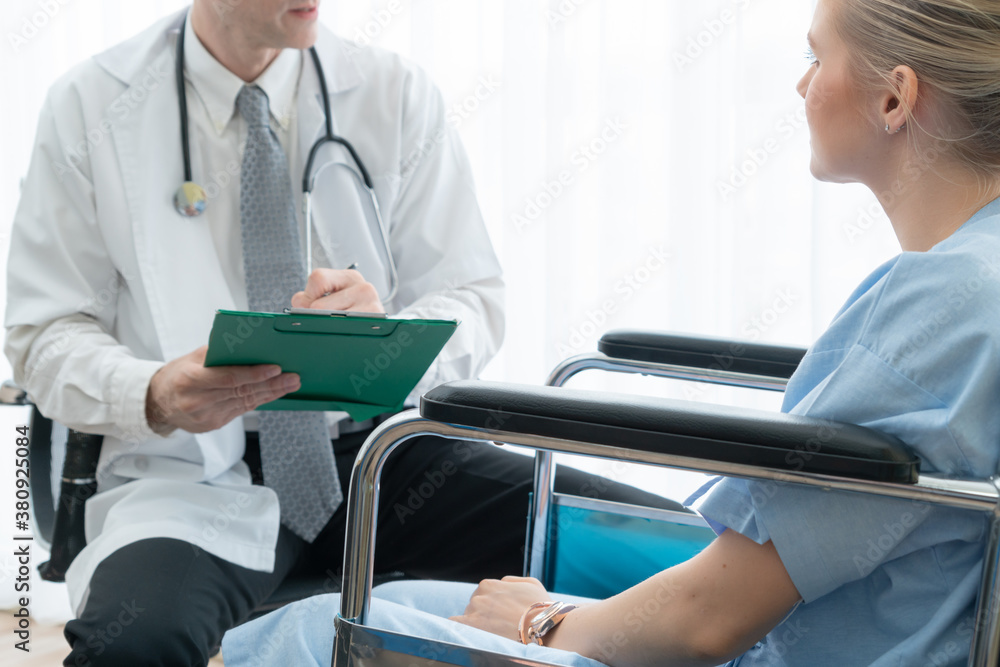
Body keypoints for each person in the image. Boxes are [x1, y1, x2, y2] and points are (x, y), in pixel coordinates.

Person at [220, 0, 1000, 665]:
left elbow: (708, 623)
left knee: (311, 629)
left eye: (815, 56)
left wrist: (543, 622)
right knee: (407, 597)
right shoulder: (976, 273)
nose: (801, 84)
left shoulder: (942, 301)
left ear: (895, 99)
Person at [3, 2, 680, 665]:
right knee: (133, 644)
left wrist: (389, 337)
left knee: (673, 557)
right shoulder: (92, 106)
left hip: (381, 455)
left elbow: (473, 297)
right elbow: (43, 334)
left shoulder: (393, 92)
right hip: (193, 473)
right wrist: (153, 391)